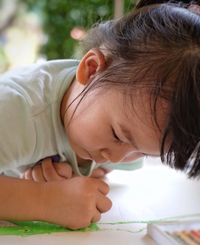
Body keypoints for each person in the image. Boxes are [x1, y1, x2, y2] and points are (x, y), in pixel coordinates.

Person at [0, 3, 200, 229]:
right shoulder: (17, 108)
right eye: (117, 135)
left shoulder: (121, 122)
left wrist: (74, 183)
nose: (115, 158)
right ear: (91, 69)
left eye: (143, 152)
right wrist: (45, 199)